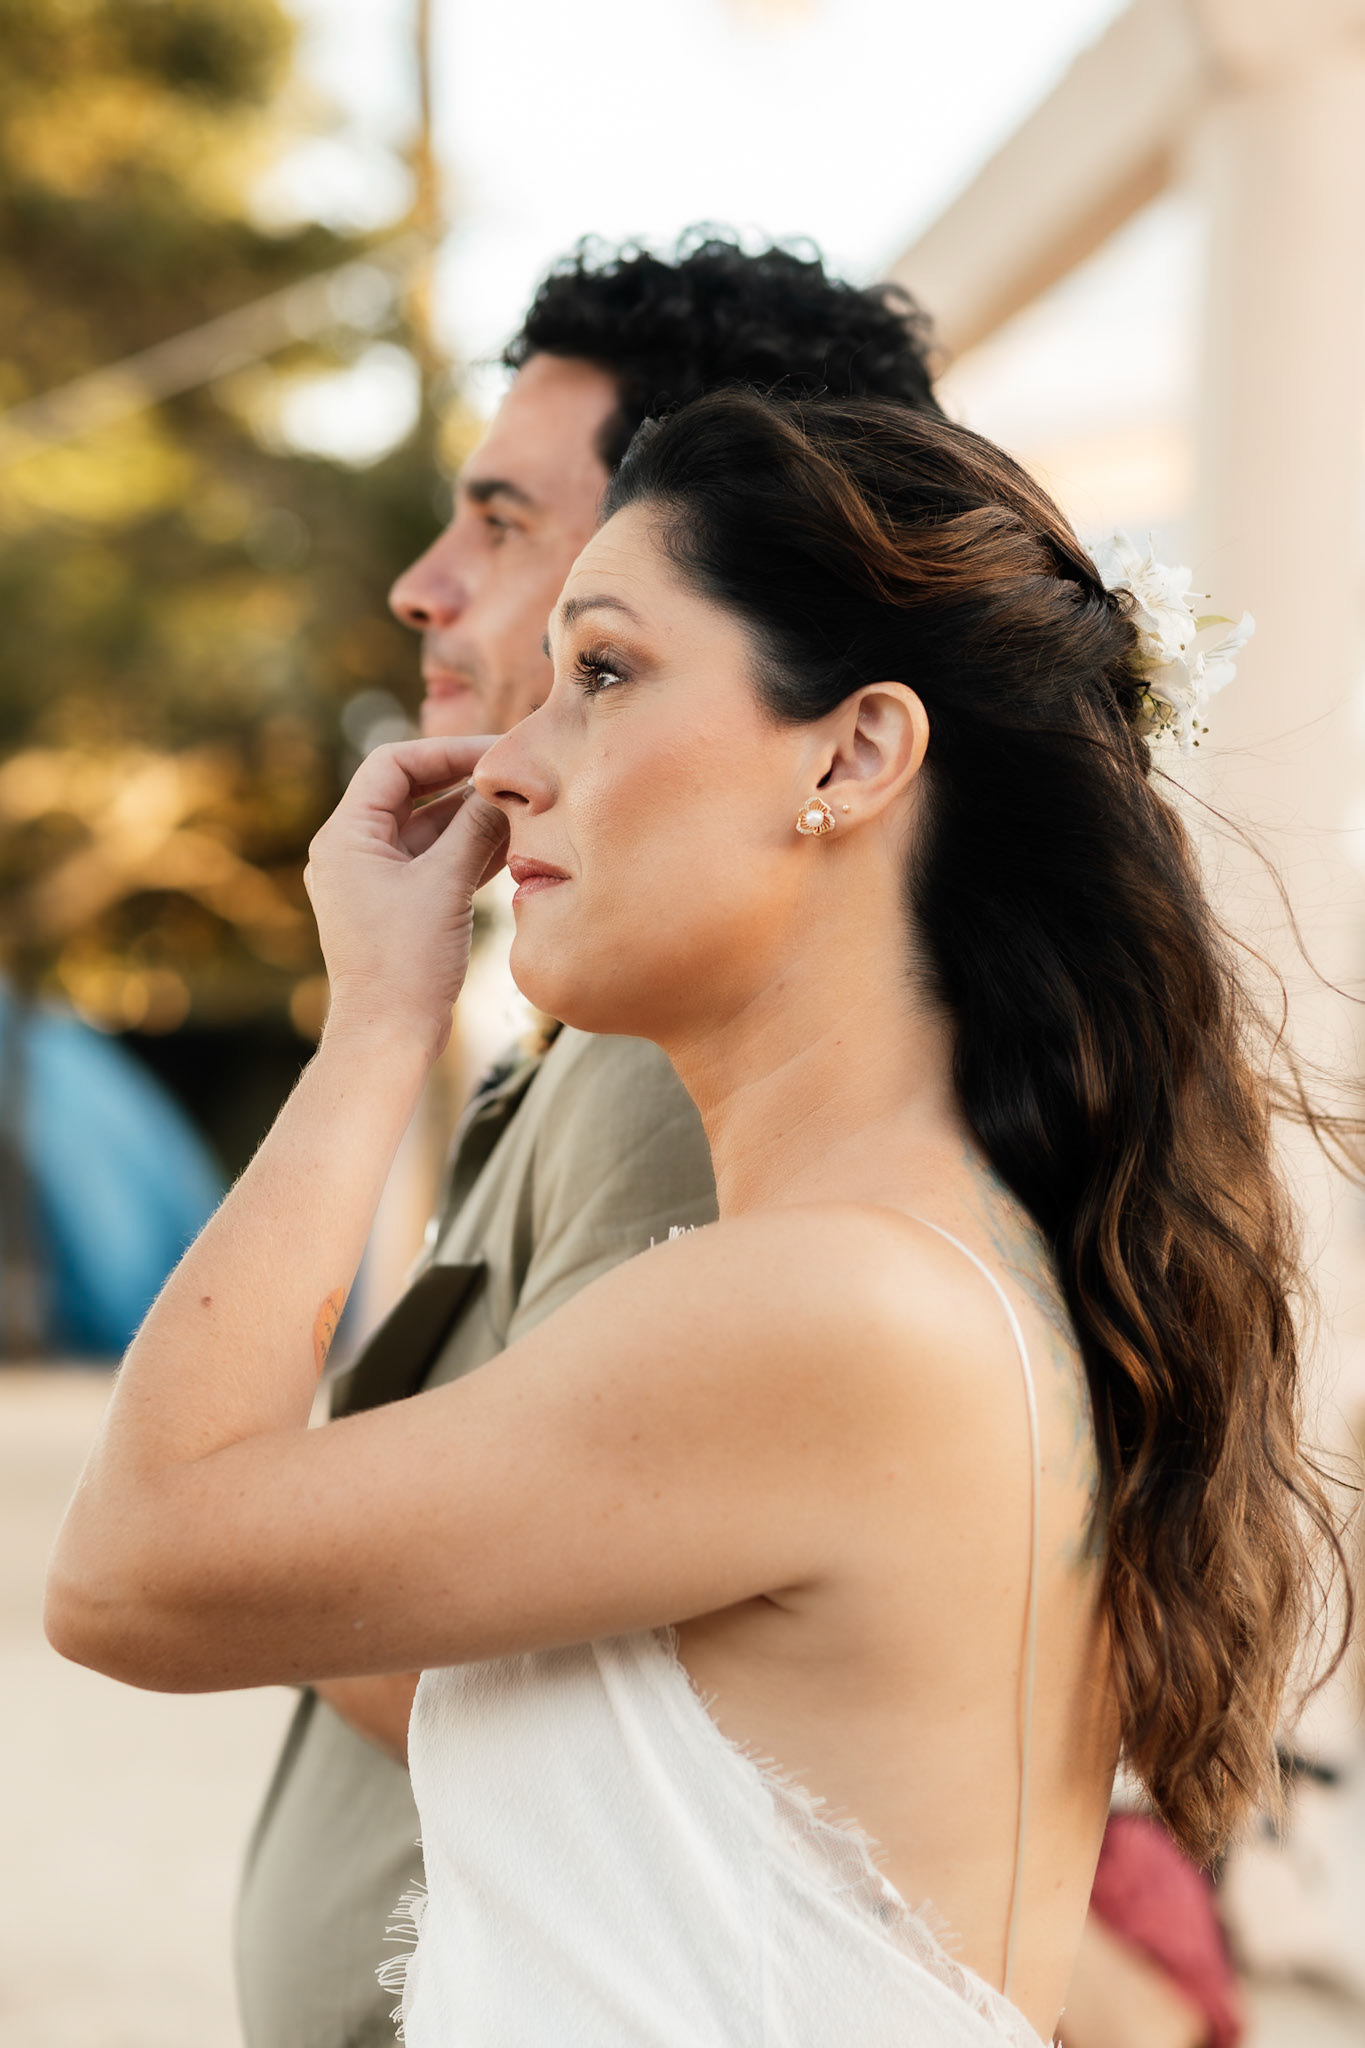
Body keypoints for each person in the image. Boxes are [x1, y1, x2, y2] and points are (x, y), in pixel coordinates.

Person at [47, 388, 1333, 2047]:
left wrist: (377, 1017)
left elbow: (131, 1569)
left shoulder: (827, 1312)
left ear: (853, 751)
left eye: (600, 673)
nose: (506, 765)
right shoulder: (925, 1276)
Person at [238, 230, 947, 2048]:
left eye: (497, 524)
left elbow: (544, 1647)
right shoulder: (621, 1033)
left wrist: (256, 1552)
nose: (424, 587)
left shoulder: (684, 1076)